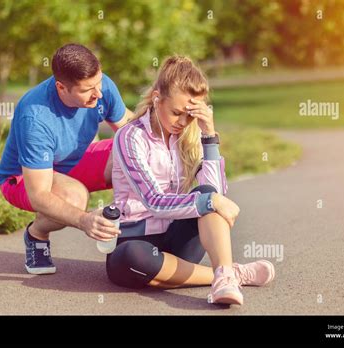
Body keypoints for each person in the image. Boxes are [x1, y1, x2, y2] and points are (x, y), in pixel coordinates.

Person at [107, 56, 275, 305]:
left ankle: (224, 277)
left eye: (190, 116)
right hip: (137, 243)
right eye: (176, 113)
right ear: (156, 98)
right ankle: (232, 273)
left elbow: (216, 191)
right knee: (133, 259)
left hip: (178, 240)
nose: (183, 122)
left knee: (208, 193)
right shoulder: (130, 137)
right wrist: (211, 201)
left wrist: (208, 135)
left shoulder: (189, 135)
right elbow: (153, 202)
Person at [0, 43, 133, 275]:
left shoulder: (100, 86)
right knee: (74, 197)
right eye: (88, 89)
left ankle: (139, 230)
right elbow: (39, 195)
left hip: (73, 161)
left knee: (132, 151)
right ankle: (37, 234)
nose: (98, 93)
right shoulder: (35, 118)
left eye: (98, 83)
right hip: (22, 178)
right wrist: (84, 220)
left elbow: (129, 128)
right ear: (61, 87)